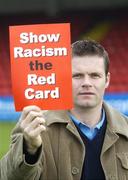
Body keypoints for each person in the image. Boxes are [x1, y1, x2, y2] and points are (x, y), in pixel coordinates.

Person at [1, 39, 128, 180]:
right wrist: (30, 150)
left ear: (107, 79)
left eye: (94, 75)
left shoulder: (126, 129)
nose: (86, 83)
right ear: (64, 78)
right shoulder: (34, 126)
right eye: (77, 76)